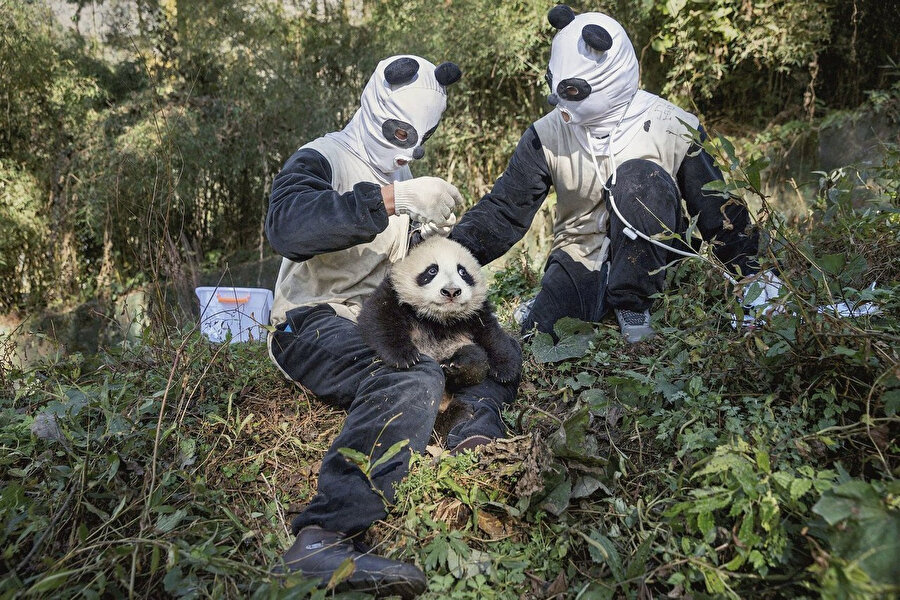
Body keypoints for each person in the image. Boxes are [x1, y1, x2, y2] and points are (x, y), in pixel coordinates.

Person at [264, 55, 517, 598]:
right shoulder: (324, 157)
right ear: (377, 106)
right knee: (412, 376)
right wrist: (390, 199)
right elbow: (287, 228)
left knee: (493, 350)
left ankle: (472, 426)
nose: (405, 151)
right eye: (400, 133)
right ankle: (324, 535)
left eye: (417, 142)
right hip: (310, 321)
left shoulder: (401, 173)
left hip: (379, 316)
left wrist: (436, 232)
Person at [449, 6, 763, 343]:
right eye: (553, 86)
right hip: (581, 250)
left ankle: (633, 303)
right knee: (542, 331)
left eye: (569, 92)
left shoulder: (673, 124)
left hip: (656, 255)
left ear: (611, 77)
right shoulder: (546, 134)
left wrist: (754, 279)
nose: (558, 101)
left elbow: (718, 211)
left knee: (637, 178)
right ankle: (558, 301)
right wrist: (447, 258)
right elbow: (504, 210)